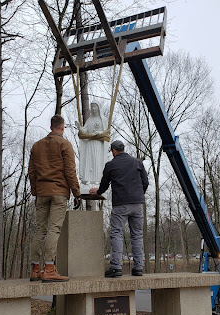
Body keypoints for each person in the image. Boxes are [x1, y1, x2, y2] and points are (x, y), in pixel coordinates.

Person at [28, 114, 81, 282]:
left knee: (40, 230)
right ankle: (49, 268)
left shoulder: (36, 146)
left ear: (51, 127)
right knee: (54, 229)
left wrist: (36, 191)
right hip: (58, 193)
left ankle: (35, 269)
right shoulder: (65, 144)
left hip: (42, 192)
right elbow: (70, 171)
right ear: (62, 128)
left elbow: (31, 172)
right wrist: (76, 193)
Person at [89, 140, 149, 277]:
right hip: (137, 204)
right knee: (137, 235)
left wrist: (97, 192)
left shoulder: (111, 165)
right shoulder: (137, 162)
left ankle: (116, 267)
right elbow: (145, 182)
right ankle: (138, 267)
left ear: (114, 151)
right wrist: (138, 195)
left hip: (120, 204)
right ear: (123, 149)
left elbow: (104, 185)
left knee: (117, 233)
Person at [75, 102, 109, 191]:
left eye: (95, 106)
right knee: (89, 161)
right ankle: (87, 180)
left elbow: (106, 132)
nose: (93, 108)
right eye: (92, 106)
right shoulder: (89, 120)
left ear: (98, 107)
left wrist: (99, 133)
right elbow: (84, 130)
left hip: (98, 144)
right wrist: (79, 128)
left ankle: (97, 180)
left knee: (96, 160)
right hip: (90, 143)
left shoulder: (103, 120)